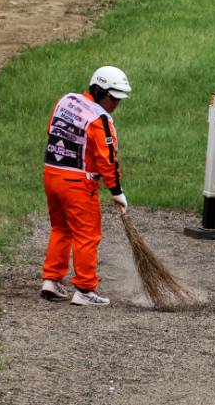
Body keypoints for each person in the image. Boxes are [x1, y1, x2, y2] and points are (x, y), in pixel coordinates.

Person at [40, 66, 133, 306]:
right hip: (78, 183)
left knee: (60, 228)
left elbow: (51, 129)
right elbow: (107, 159)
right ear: (98, 90)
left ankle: (51, 280)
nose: (116, 104)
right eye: (113, 98)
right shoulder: (99, 119)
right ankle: (84, 289)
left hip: (51, 174)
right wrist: (117, 191)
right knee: (87, 235)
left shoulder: (66, 101)